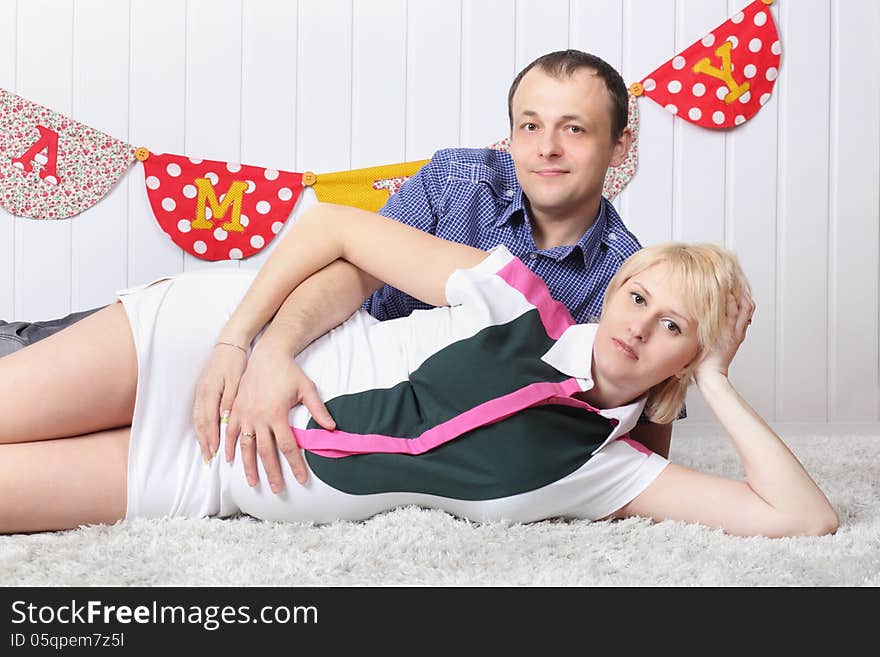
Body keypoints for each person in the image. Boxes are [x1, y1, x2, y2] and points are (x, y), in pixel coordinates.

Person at [4, 50, 663, 490]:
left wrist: (702, 362)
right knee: (33, 354)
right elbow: (349, 263)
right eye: (529, 125)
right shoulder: (460, 180)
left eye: (574, 129)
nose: (545, 147)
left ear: (620, 143)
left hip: (334, 409)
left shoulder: (624, 282)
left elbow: (626, 439)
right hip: (276, 329)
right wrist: (267, 351)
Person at [0, 202, 838, 538]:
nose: (639, 326)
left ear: (688, 356)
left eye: (673, 326)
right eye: (636, 296)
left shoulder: (612, 471)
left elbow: (805, 521)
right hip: (194, 348)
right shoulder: (514, 298)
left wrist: (720, 379)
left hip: (203, 477)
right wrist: (249, 346)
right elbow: (333, 227)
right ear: (611, 291)